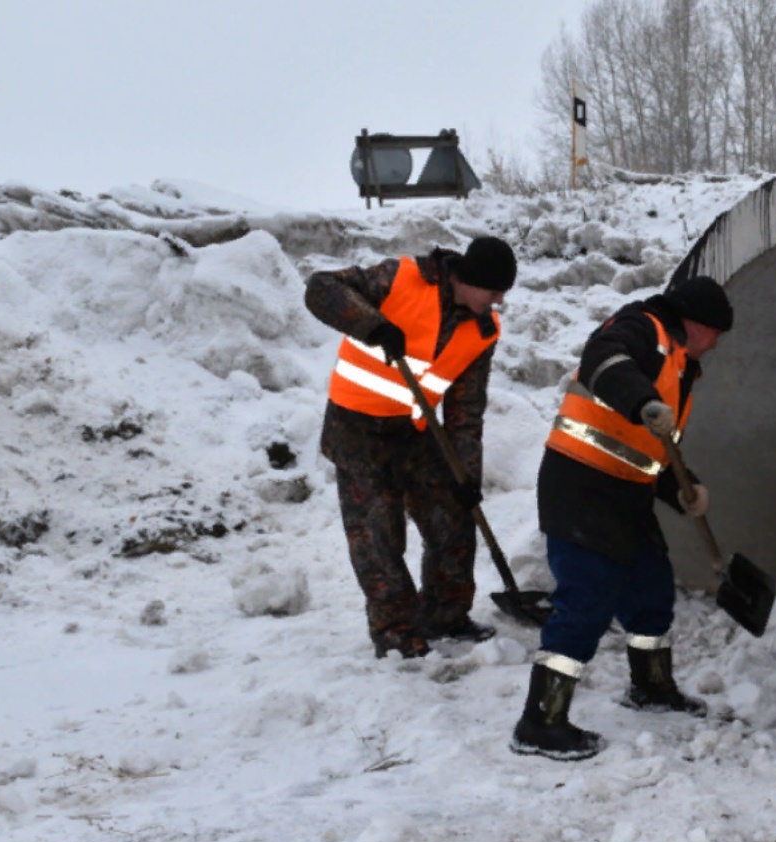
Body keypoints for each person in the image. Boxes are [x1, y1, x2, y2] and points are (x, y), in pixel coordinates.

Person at [509, 277, 733, 761]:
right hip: (581, 486)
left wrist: (682, 489)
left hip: (626, 493)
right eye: (715, 333)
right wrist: (641, 401)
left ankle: (651, 687)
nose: (716, 345)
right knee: (585, 601)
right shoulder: (640, 327)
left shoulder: (681, 367)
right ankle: (541, 721)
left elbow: (650, 449)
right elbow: (604, 359)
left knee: (650, 591)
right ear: (695, 324)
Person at [305, 236, 516, 659]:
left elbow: (466, 411)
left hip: (415, 433)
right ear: (469, 280)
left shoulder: (481, 331)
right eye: (493, 292)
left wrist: (466, 476)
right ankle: (396, 631)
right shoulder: (400, 278)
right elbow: (321, 288)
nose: (497, 303)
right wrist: (372, 324)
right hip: (357, 429)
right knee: (377, 537)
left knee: (454, 518)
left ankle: (445, 615)